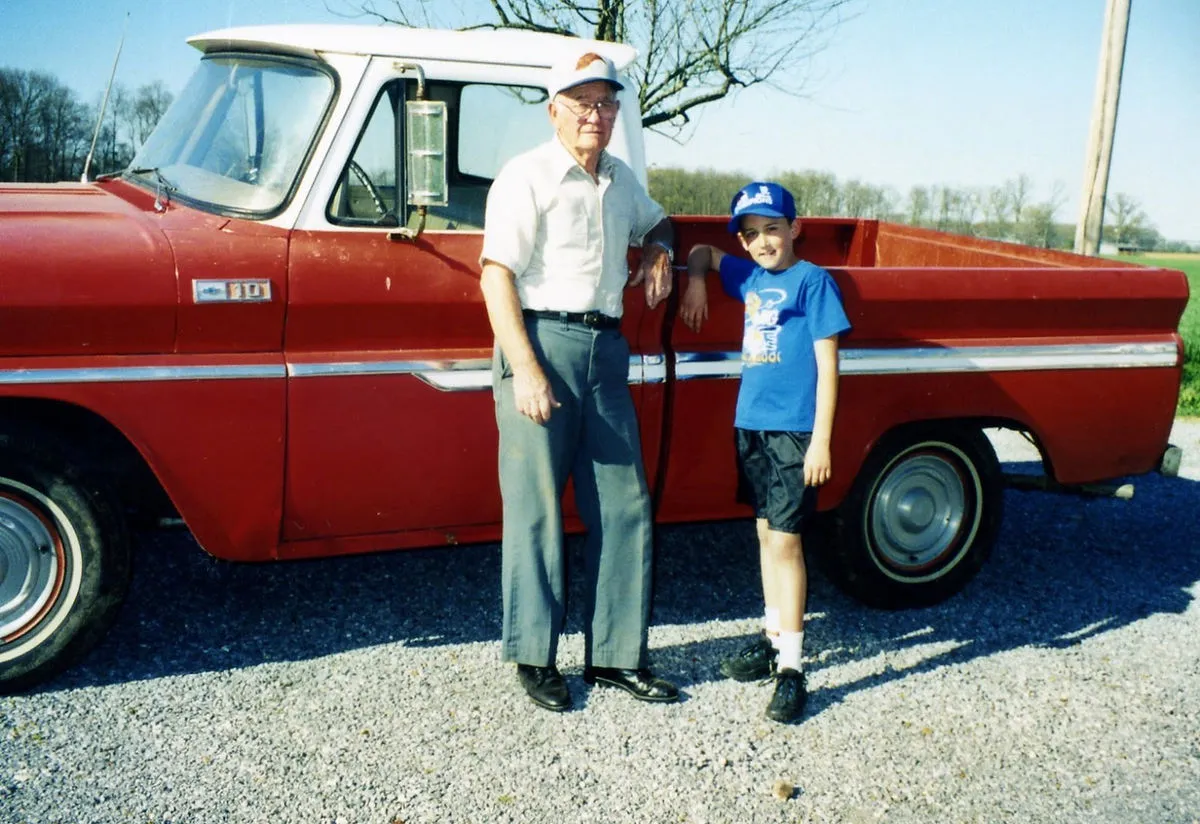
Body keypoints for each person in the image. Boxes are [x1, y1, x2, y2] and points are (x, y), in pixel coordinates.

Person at [478, 51, 680, 712]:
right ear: (554, 109)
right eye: (582, 102)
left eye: (606, 103)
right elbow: (496, 275)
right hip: (542, 344)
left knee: (625, 505)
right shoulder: (526, 175)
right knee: (537, 508)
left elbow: (660, 220)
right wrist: (527, 368)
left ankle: (616, 658)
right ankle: (535, 657)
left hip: (606, 352)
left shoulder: (621, 180)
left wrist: (659, 252)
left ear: (617, 113)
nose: (596, 115)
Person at [679, 181, 851, 724]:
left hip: (793, 433)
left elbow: (828, 365)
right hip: (750, 424)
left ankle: (793, 669)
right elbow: (700, 253)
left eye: (772, 229)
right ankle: (773, 635)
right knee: (763, 534)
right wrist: (700, 284)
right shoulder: (749, 274)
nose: (761, 242)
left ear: (795, 228)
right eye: (750, 234)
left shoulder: (812, 283)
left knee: (786, 543)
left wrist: (821, 438)